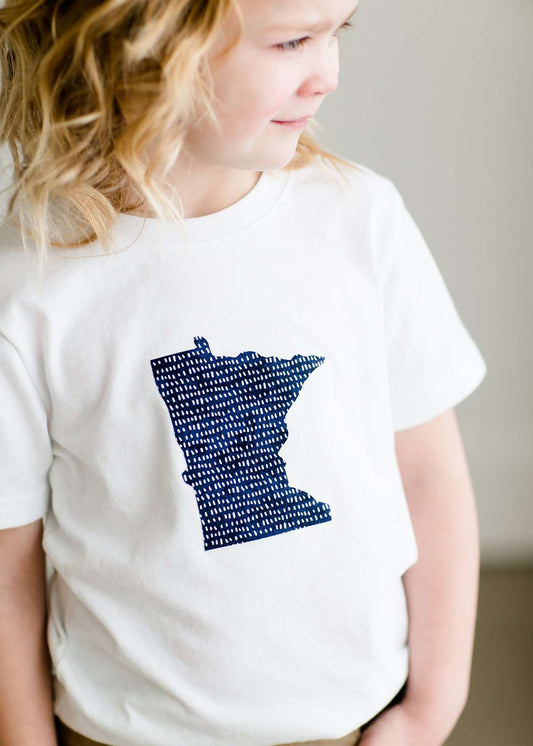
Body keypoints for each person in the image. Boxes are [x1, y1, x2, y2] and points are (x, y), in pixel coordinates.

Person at [0, 0, 488, 745]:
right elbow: (11, 568)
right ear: (142, 47)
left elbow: (430, 478)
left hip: (354, 721)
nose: (326, 75)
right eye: (292, 41)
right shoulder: (33, 284)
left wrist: (429, 709)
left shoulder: (359, 220)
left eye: (337, 33)